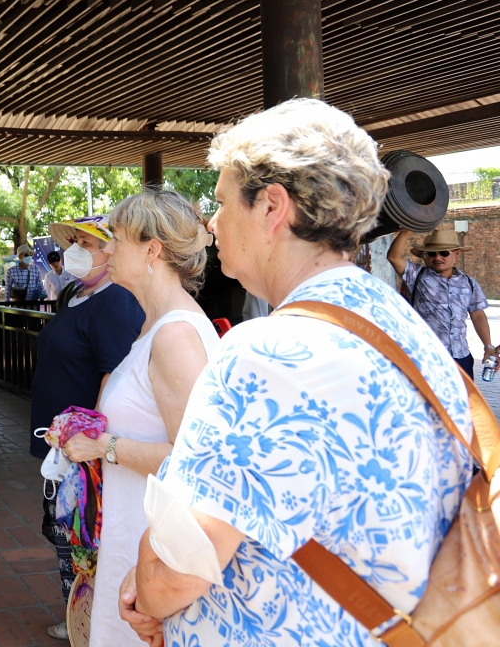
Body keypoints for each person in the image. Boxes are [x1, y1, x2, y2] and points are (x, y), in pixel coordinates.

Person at [121, 99, 474, 647]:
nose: (212, 224)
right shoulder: (404, 330)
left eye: (220, 203)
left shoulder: (266, 354)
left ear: (271, 207)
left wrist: (143, 593)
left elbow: (179, 564)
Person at [58, 190, 220, 647]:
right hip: (131, 534)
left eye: (116, 239)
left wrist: (101, 447)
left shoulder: (175, 336)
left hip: (148, 548)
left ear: (152, 250)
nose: (106, 249)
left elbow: (194, 463)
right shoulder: (156, 324)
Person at [30, 214, 144, 641]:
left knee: (77, 532)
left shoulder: (116, 301)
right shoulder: (76, 292)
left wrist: (90, 440)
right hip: (61, 445)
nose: (76, 249)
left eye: (87, 242)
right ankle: (78, 609)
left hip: (82, 449)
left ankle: (89, 619)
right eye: (74, 241)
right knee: (62, 529)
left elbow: (112, 373)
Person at [387, 228, 493, 377]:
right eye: (431, 253)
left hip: (461, 356)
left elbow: (478, 315)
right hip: (428, 357)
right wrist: (408, 227)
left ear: (456, 254)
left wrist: (488, 346)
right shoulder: (416, 275)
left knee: (464, 399)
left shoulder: (469, 283)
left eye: (444, 252)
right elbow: (393, 257)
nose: (437, 257)